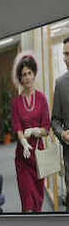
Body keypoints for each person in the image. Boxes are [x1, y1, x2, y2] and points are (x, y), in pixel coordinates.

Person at [12, 53, 52, 212]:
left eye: (29, 73)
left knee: (37, 202)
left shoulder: (42, 99)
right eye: (23, 75)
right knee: (27, 203)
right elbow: (18, 129)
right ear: (20, 78)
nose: (27, 77)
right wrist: (24, 143)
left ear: (34, 74)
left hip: (38, 159)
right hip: (23, 158)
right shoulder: (16, 102)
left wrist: (35, 130)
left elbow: (46, 129)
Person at [52, 37, 69, 206]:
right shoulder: (60, 84)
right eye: (64, 54)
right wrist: (62, 133)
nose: (65, 58)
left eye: (68, 54)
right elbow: (55, 120)